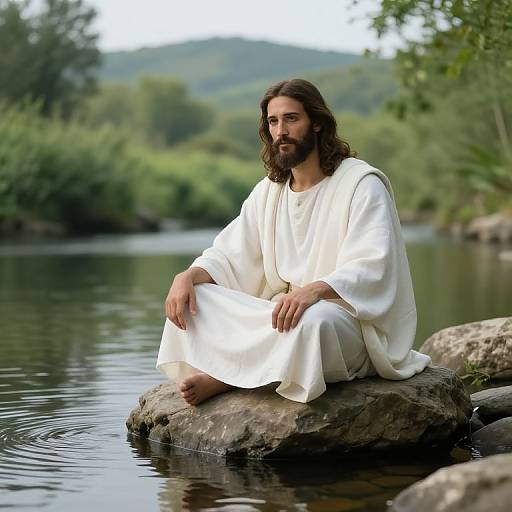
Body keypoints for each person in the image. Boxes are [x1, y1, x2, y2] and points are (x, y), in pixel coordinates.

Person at [157, 78, 431, 406]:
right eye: (273, 122)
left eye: (291, 118)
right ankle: (244, 371)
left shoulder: (360, 183)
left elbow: (373, 264)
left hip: (344, 322)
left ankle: (227, 377)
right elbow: (229, 254)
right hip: (283, 311)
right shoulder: (269, 191)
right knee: (195, 299)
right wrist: (187, 277)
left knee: (312, 323)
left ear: (316, 123)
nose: (281, 131)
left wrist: (314, 291)